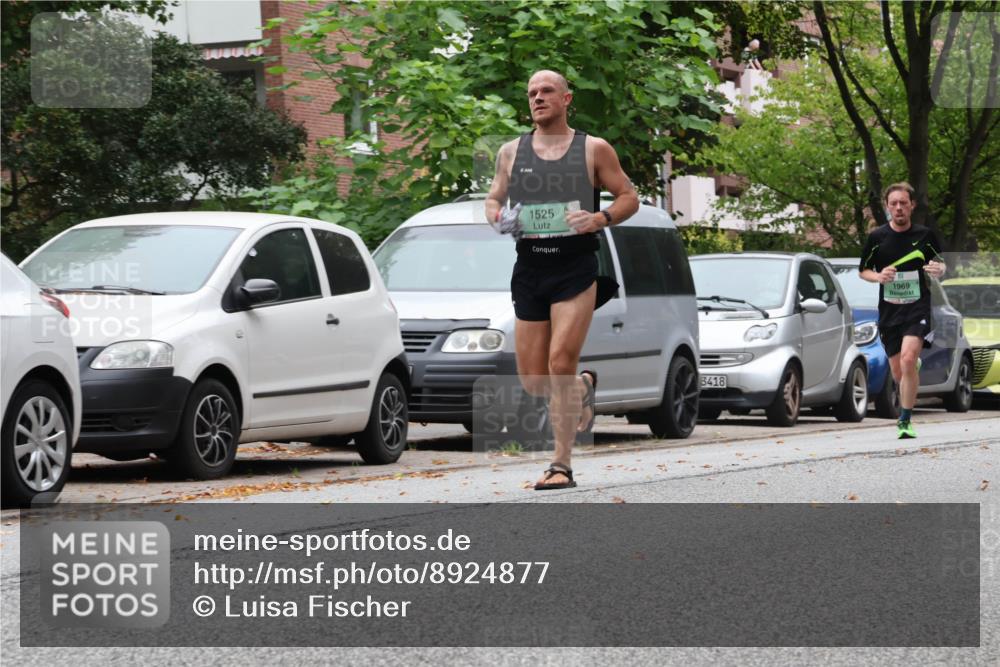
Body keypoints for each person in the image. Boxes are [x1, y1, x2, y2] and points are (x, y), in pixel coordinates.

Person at [485, 69, 639, 490]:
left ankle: (561, 465)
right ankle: (582, 387)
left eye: (546, 91)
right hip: (530, 268)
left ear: (567, 99)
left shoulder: (593, 149)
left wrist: (599, 218)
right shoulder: (511, 152)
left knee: (559, 363)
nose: (537, 98)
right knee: (535, 381)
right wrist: (498, 217)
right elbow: (495, 198)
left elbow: (629, 197)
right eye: (531, 92)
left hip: (575, 268)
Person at [859, 182, 946, 439]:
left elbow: (940, 263)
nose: (899, 208)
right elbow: (863, 270)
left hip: (917, 306)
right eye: (894, 203)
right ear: (887, 207)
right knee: (899, 371)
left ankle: (905, 420)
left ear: (912, 206)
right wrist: (878, 276)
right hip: (889, 312)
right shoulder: (877, 237)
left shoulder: (925, 235)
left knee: (908, 360)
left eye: (903, 203)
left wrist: (938, 269)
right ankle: (911, 367)